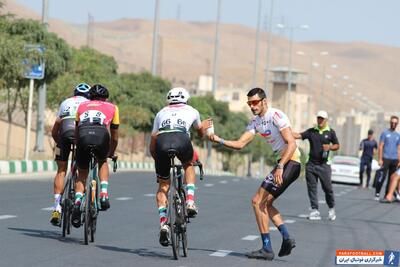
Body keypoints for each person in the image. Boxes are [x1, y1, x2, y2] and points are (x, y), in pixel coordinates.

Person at [209, 87, 301, 261]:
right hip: (284, 164)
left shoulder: (276, 116)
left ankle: (267, 248)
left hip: (291, 162)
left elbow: (292, 144)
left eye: (255, 102)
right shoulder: (256, 122)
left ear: (264, 101)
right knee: (265, 204)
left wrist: (281, 166)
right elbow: (240, 144)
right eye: (249, 103)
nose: (252, 106)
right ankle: (287, 238)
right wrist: (218, 139)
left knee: (257, 201)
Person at [150, 87, 210, 246]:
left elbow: (153, 140)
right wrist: (202, 127)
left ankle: (163, 223)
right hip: (182, 139)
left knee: (163, 185)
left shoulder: (160, 112)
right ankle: (190, 201)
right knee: (188, 165)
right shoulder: (193, 110)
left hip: (162, 142)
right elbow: (200, 133)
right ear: (186, 100)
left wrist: (157, 158)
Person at [71, 84, 119, 228]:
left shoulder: (81, 106)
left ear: (90, 97)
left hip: (84, 135)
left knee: (82, 174)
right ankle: (103, 194)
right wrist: (111, 152)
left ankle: (78, 201)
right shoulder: (113, 107)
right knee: (103, 160)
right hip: (101, 135)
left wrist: (79, 149)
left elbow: (76, 131)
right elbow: (115, 136)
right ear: (105, 98)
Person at [49, 83, 90, 226]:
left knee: (61, 170)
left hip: (64, 135)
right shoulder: (89, 104)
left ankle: (56, 208)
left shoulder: (65, 102)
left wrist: (60, 143)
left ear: (74, 93)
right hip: (82, 137)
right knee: (82, 170)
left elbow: (55, 130)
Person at [293, 110, 340, 221]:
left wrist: (330, 147)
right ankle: (315, 210)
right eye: (318, 118)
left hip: (324, 165)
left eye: (322, 119)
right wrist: (284, 131)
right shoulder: (312, 131)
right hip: (311, 165)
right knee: (312, 188)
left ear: (326, 120)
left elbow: (337, 145)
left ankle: (331, 208)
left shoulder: (331, 132)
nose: (320, 120)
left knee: (327, 188)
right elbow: (299, 135)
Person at [375, 115, 400, 200]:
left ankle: (387, 195)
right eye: (392, 122)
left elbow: (399, 148)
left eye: (395, 123)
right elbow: (381, 146)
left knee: (392, 178)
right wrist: (380, 158)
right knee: (382, 176)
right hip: (385, 158)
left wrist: (399, 160)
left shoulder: (398, 135)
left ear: (397, 124)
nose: (393, 124)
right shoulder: (385, 133)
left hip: (394, 159)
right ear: (390, 123)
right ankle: (377, 193)